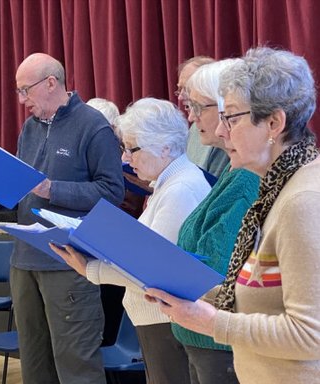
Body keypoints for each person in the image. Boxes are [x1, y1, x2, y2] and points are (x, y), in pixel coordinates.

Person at [146, 47, 320, 384]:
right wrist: (190, 295)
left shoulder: (303, 200)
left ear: (274, 123)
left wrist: (209, 321)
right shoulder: (279, 184)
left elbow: (309, 335)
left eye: (233, 118)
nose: (222, 132)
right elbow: (259, 292)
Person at [0, 53, 125, 384]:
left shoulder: (93, 126)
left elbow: (113, 193)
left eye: (25, 90)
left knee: (76, 366)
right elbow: (26, 197)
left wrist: (54, 189)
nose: (22, 100)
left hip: (69, 264)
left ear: (51, 82)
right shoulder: (30, 128)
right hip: (24, 263)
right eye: (19, 92)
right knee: (35, 365)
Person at [51, 98, 211, 384]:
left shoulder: (180, 190)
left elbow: (153, 268)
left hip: (166, 321)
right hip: (160, 319)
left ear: (163, 146)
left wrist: (91, 268)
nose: (125, 159)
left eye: (132, 149)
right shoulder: (169, 185)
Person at [172, 59, 260, 384]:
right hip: (203, 332)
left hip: (219, 339)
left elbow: (219, 263)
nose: (191, 118)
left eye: (198, 107)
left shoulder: (248, 176)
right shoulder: (233, 168)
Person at [177, 56, 230, 178]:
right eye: (180, 89)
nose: (180, 97)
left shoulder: (221, 131)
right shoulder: (196, 128)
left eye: (187, 88)